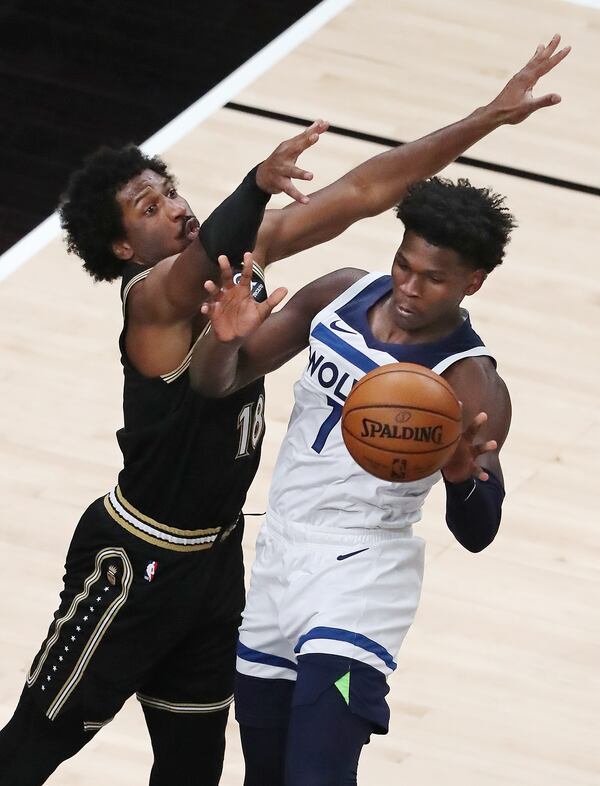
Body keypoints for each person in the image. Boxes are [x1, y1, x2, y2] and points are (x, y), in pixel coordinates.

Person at [189, 37, 570, 786]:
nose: (409, 285)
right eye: (404, 264)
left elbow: (480, 529)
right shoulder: (339, 292)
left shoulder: (472, 383)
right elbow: (216, 383)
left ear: (474, 282)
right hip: (279, 557)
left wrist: (466, 476)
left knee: (317, 775)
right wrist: (221, 340)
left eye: (433, 279)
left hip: (362, 575)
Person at [0, 122, 328, 786]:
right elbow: (216, 245)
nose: (176, 206)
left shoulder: (232, 273)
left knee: (191, 770)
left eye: (170, 191)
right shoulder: (151, 296)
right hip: (136, 563)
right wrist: (258, 183)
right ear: (123, 245)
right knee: (31, 748)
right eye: (150, 207)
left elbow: (362, 193)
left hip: (212, 565)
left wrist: (482, 121)